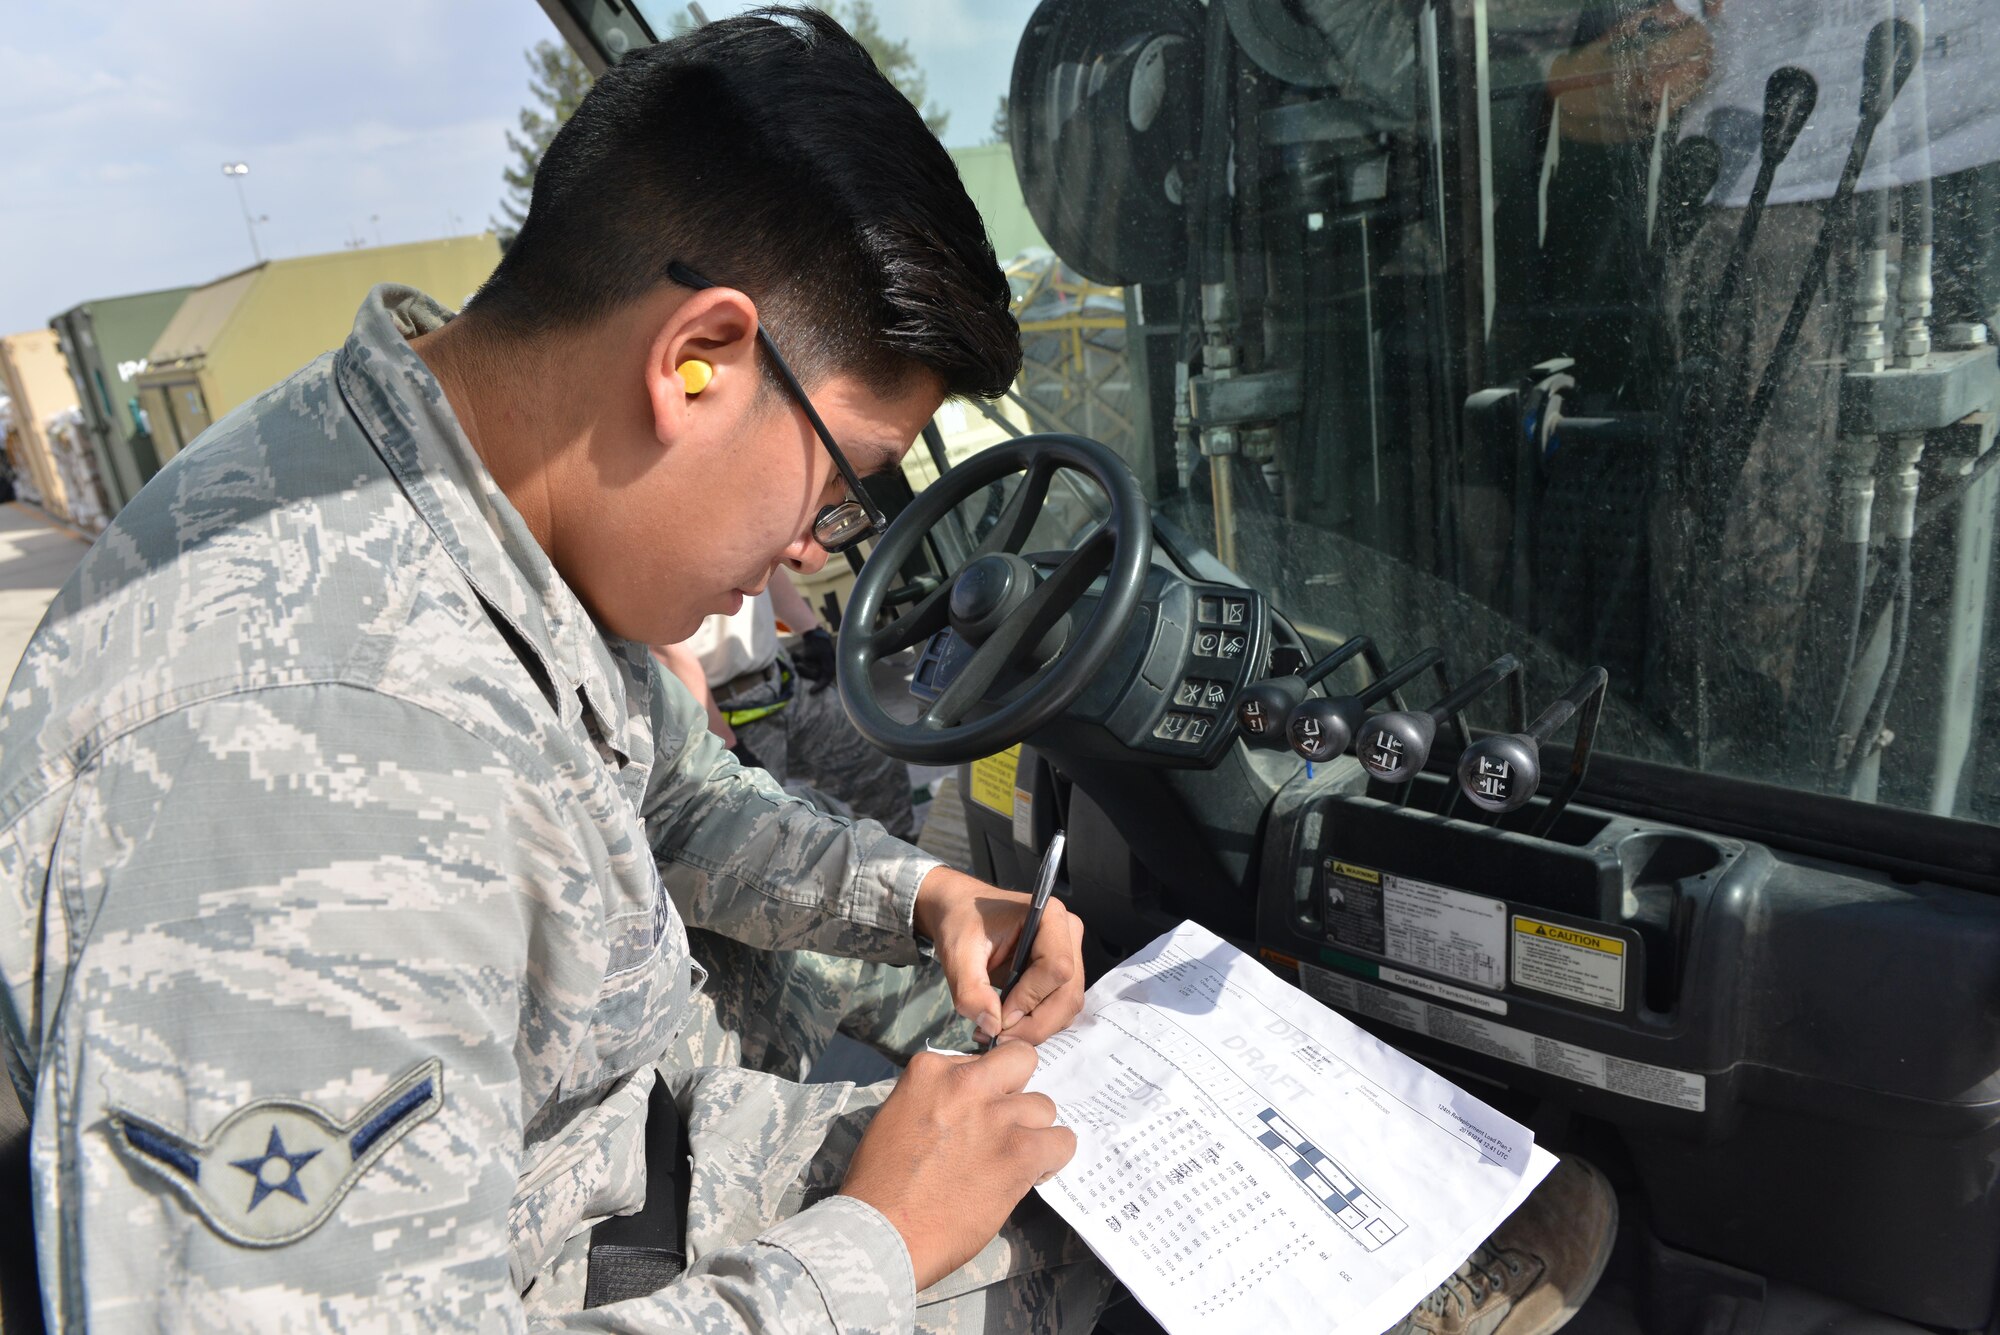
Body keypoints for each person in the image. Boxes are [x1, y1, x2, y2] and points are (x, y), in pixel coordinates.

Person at [0, 11, 1102, 1329]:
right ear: (697, 361)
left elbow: (668, 792)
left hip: (589, 1162)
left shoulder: (448, 497)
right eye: (842, 477)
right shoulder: (303, 757)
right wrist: (870, 1247)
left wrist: (917, 895)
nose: (819, 546)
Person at [654, 568, 920, 840]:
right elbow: (663, 646)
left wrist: (810, 630)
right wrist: (725, 741)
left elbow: (765, 566)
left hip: (784, 681)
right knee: (762, 830)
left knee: (873, 759)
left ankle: (899, 851)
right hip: (719, 714)